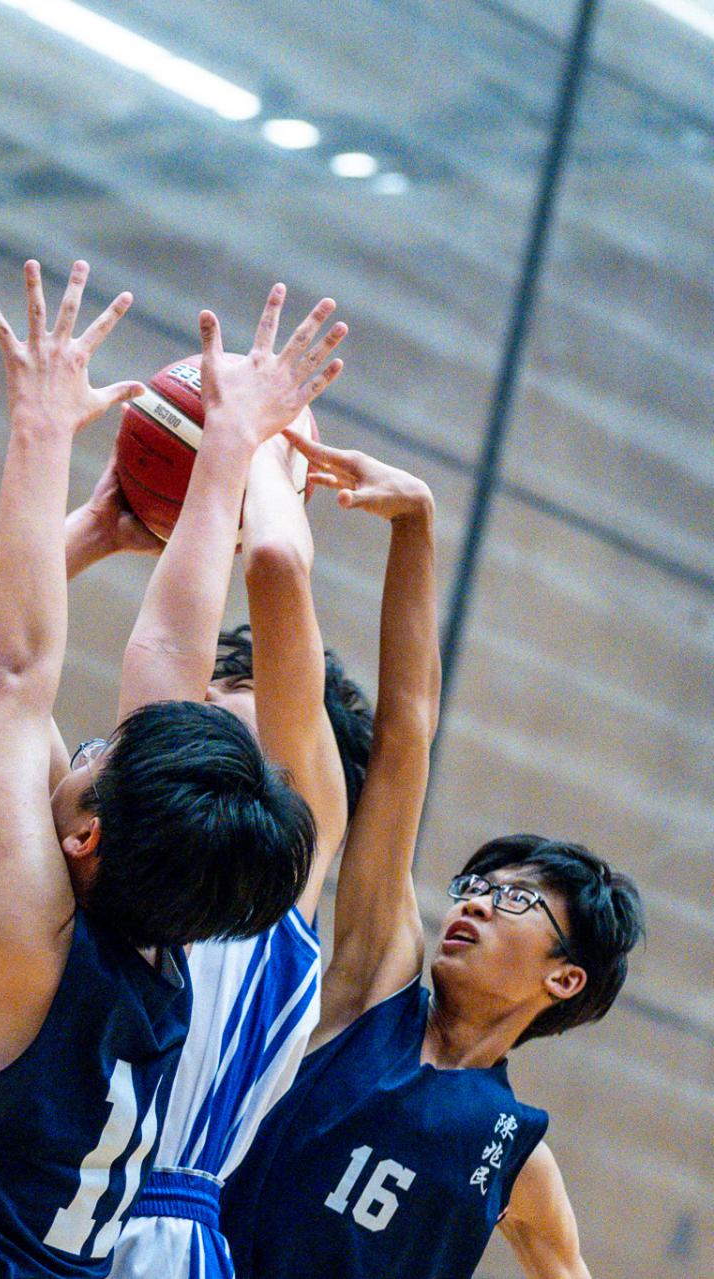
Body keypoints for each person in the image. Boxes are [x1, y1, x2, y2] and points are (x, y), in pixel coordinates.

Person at [0, 261, 341, 1279]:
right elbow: (167, 661)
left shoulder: (25, 945)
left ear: (86, 833)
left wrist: (41, 428)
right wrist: (224, 455)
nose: (96, 737)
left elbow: (12, 669)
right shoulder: (166, 949)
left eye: (102, 752)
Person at [0, 426, 373, 1279]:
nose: (209, 693)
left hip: (144, 1225)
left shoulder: (287, 856)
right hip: (66, 1212)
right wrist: (101, 524)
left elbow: (278, 563)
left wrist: (267, 445)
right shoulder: (118, 844)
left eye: (239, 683)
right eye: (210, 680)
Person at [219, 432, 646, 1279]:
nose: (477, 901)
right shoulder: (377, 981)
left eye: (516, 900)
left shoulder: (516, 1154)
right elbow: (406, 733)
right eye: (477, 885)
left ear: (566, 976)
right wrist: (415, 525)